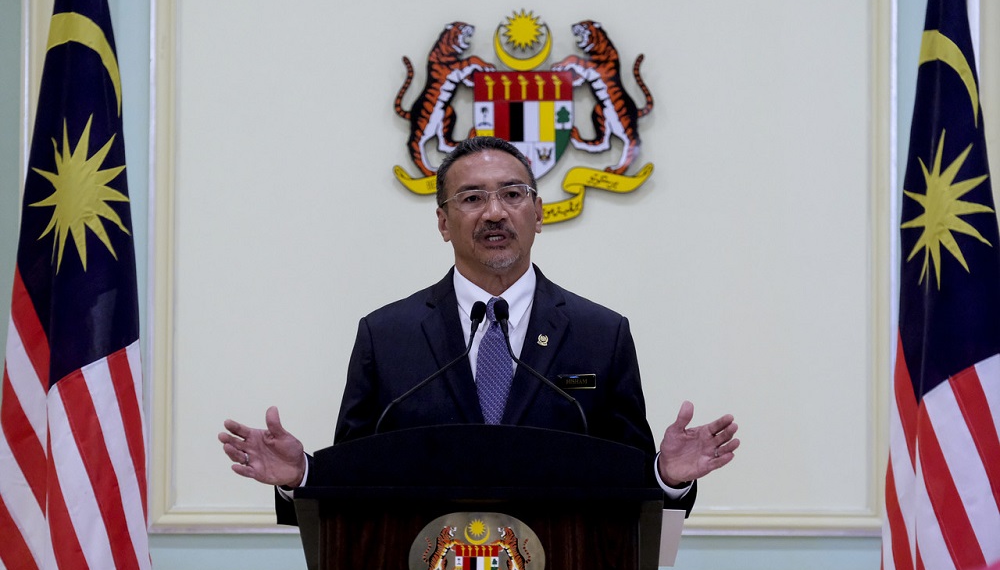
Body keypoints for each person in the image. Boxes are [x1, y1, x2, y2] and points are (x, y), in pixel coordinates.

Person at [218, 136, 740, 522]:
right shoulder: (387, 334)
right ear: (443, 223)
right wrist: (301, 479)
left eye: (512, 195)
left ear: (539, 213)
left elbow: (629, 481)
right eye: (471, 199)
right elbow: (358, 476)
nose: (494, 212)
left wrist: (666, 479)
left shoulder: (600, 333)